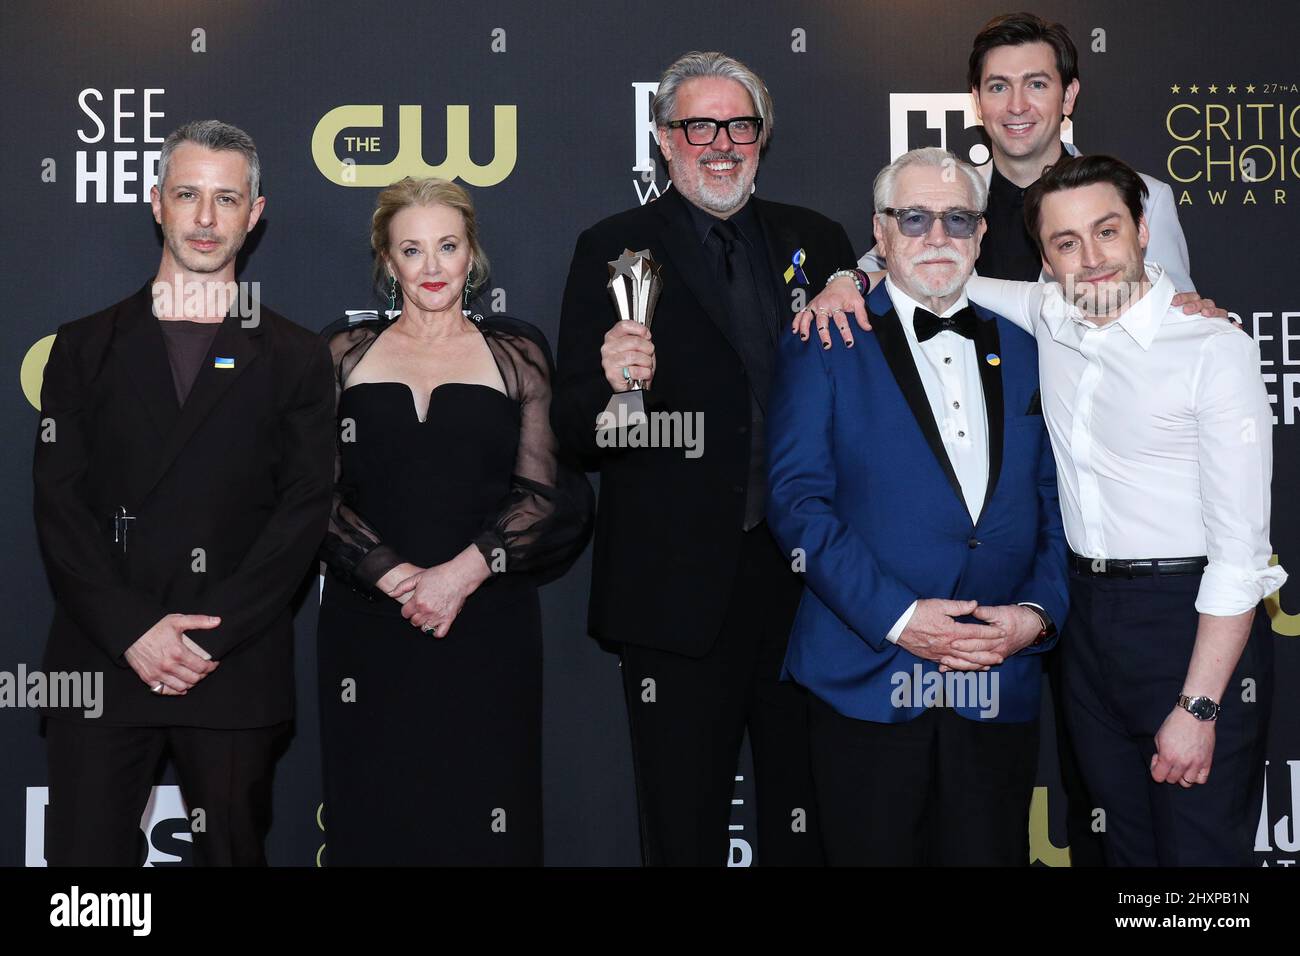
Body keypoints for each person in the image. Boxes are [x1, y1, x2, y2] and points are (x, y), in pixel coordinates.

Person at [802, 153, 1279, 866]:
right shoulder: (1048, 312)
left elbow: (1243, 559)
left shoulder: (1214, 349)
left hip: (1188, 624)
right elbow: (935, 262)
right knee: (1124, 852)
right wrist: (847, 276)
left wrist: (1200, 705)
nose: (1090, 260)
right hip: (1086, 628)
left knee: (1199, 864)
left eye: (1107, 232)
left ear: (1144, 231)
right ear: (1044, 260)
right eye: (1065, 243)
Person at [845, 11, 1194, 867]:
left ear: (1070, 94)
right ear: (974, 100)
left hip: (1103, 530)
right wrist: (840, 278)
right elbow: (885, 267)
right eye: (998, 85)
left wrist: (1194, 310)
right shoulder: (950, 202)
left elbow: (1171, 323)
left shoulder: (1136, 197)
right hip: (1006, 538)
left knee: (1108, 788)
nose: (1017, 104)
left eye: (1037, 83)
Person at [552, 51, 856, 866]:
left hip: (810, 589)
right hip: (673, 595)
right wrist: (613, 386)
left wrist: (855, 280)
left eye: (739, 125)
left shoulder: (820, 242)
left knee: (811, 824)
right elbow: (579, 435)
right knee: (680, 831)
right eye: (699, 126)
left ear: (761, 137)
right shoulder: (614, 248)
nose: (721, 143)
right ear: (663, 139)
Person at [33, 120, 336, 866]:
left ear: (254, 214)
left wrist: (207, 635)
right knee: (87, 890)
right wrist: (134, 630)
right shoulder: (81, 347)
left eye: (226, 199)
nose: (206, 219)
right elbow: (59, 507)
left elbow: (302, 515)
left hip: (231, 666)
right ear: (155, 203)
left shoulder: (296, 356)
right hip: (100, 662)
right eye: (188, 195)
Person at [766, 147, 1067, 865]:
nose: (939, 236)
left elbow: (1060, 507)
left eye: (959, 219)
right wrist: (900, 619)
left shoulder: (1034, 350)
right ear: (880, 231)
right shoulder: (825, 339)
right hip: (865, 678)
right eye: (916, 217)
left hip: (997, 676)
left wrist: (1035, 615)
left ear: (983, 234)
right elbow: (797, 502)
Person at [317, 176, 593, 866]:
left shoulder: (516, 350)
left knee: (484, 808)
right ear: (387, 260)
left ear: (473, 253)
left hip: (486, 625)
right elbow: (306, 494)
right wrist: (395, 576)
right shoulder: (340, 352)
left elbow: (549, 491)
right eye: (413, 250)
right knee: (375, 810)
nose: (433, 267)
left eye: (448, 245)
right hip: (369, 627)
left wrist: (460, 575)